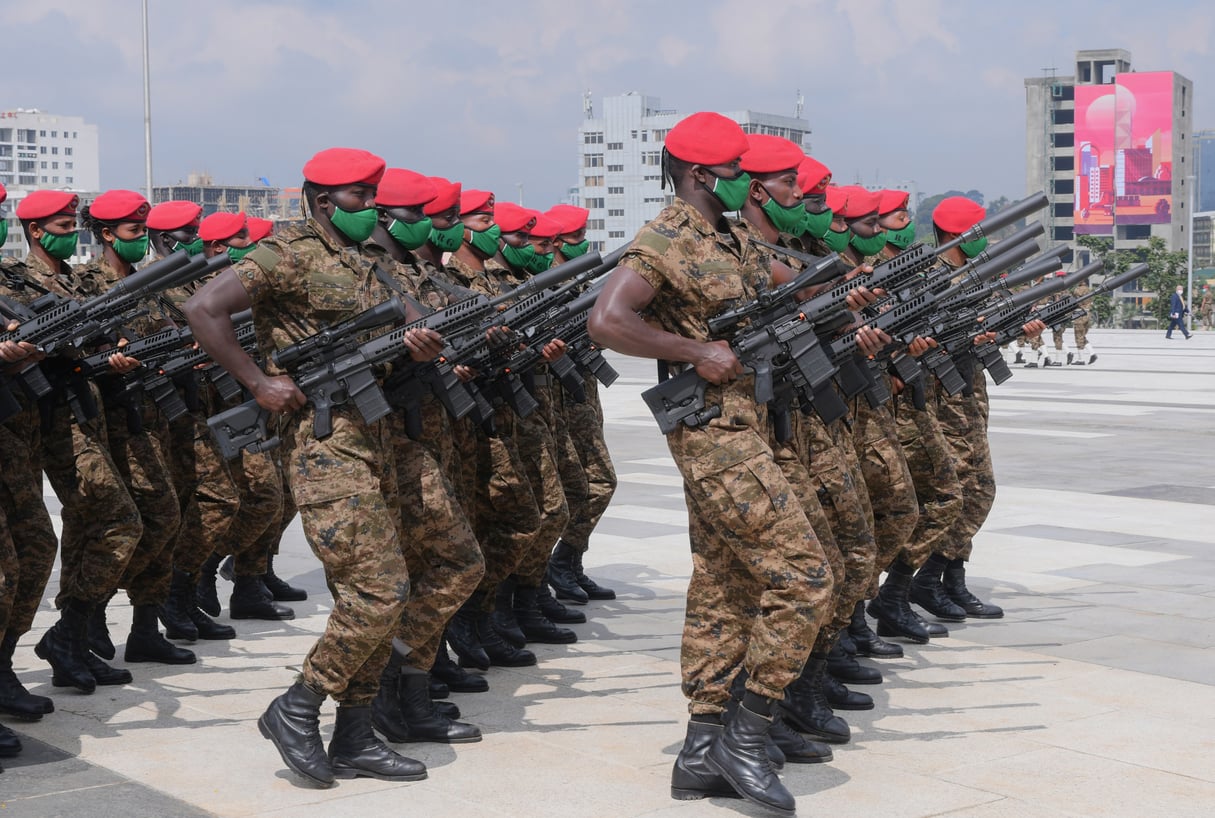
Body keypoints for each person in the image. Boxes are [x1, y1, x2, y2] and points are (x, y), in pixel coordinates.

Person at [589, 112, 834, 816]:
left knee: (723, 587)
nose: (746, 184)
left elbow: (791, 281)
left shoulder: (726, 235)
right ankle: (748, 735)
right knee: (804, 576)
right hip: (712, 435)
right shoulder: (665, 237)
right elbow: (607, 320)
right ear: (701, 174)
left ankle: (700, 751)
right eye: (736, 173)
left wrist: (844, 287)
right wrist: (696, 351)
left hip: (741, 429)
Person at [185, 147, 443, 787]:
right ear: (326, 201)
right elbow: (202, 310)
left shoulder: (367, 261)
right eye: (361, 197)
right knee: (381, 590)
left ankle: (354, 735)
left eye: (374, 197)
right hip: (325, 444)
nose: (372, 209)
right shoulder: (288, 252)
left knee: (380, 587)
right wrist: (255, 383)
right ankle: (297, 707)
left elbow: (418, 322)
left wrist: (423, 340)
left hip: (376, 438)